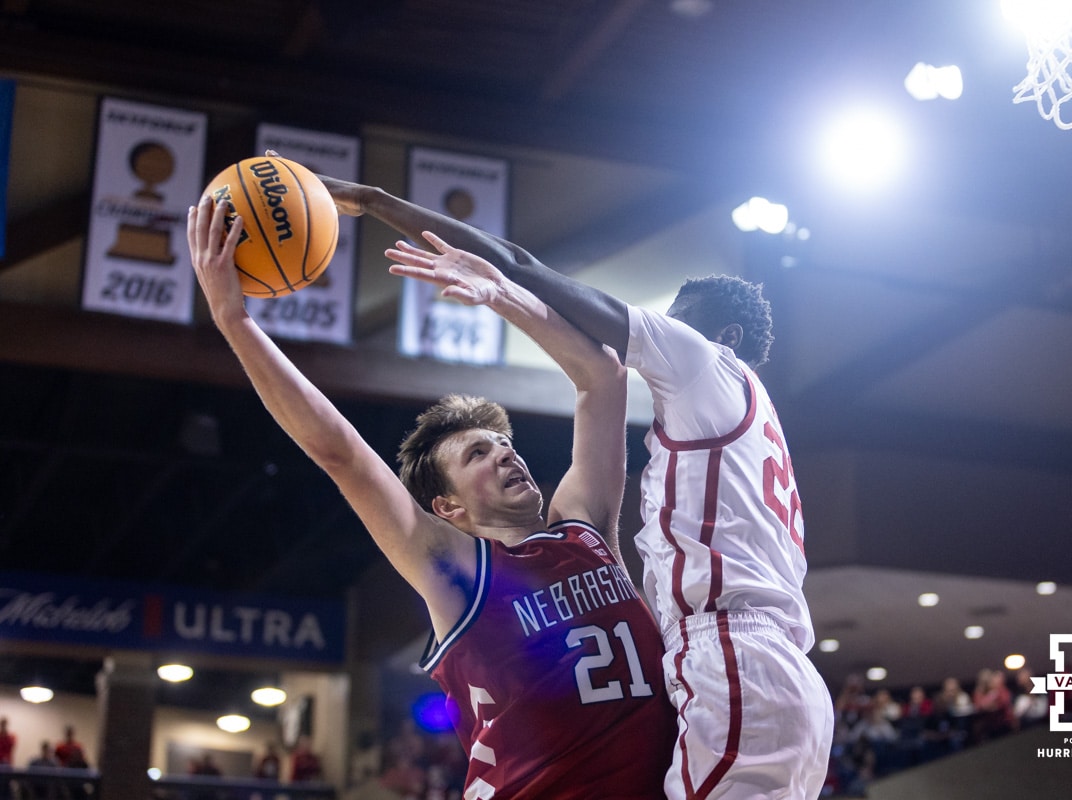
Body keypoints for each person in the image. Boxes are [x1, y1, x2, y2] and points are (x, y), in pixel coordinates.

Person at [322, 174, 835, 799]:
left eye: (680, 324)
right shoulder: (752, 424)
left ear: (723, 340)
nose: (663, 331)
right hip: (774, 669)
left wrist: (387, 210)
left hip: (734, 658)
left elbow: (530, 276)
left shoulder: (704, 364)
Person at [187, 194, 674, 799]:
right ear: (448, 509)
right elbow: (339, 452)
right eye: (477, 453)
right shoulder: (455, 570)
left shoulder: (585, 527)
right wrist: (236, 322)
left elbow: (603, 375)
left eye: (503, 442)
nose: (505, 452)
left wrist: (502, 295)